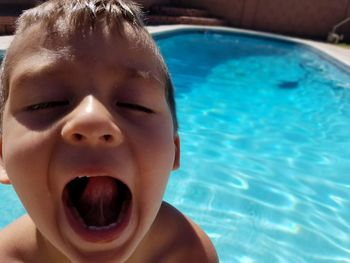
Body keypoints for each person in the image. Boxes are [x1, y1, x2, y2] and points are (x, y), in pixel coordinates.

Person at [0, 0, 218, 262]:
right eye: (46, 103)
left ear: (174, 152)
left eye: (134, 104)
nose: (92, 119)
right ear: (2, 158)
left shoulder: (188, 253)